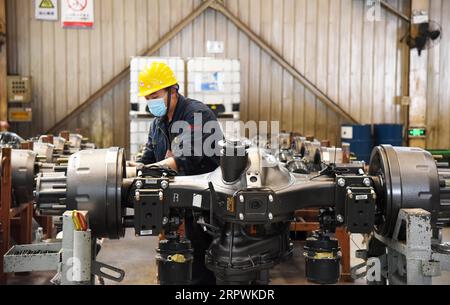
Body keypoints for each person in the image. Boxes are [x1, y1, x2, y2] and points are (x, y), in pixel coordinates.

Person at [135, 62, 223, 285]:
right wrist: (132, 170)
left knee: (203, 264)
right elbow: (148, 159)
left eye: (154, 95)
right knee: (177, 261)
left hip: (206, 205)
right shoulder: (158, 124)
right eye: (147, 98)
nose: (150, 102)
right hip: (178, 201)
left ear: (173, 91)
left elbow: (188, 158)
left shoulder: (197, 115)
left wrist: (154, 167)